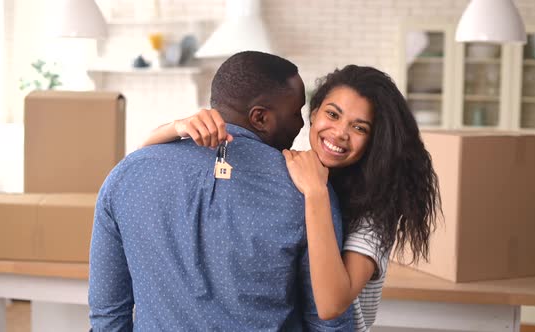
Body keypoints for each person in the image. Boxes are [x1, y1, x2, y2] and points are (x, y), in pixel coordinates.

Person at [143, 65, 441, 331]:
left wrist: (316, 195)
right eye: (333, 114)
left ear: (375, 139)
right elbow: (137, 165)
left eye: (359, 127)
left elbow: (331, 306)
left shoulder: (374, 214)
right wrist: (177, 127)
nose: (339, 133)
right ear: (313, 115)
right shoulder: (289, 166)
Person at [89, 51, 354, 331]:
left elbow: (108, 317)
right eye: (295, 113)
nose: (301, 124)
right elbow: (328, 323)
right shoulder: (308, 191)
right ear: (260, 118)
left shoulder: (126, 175)